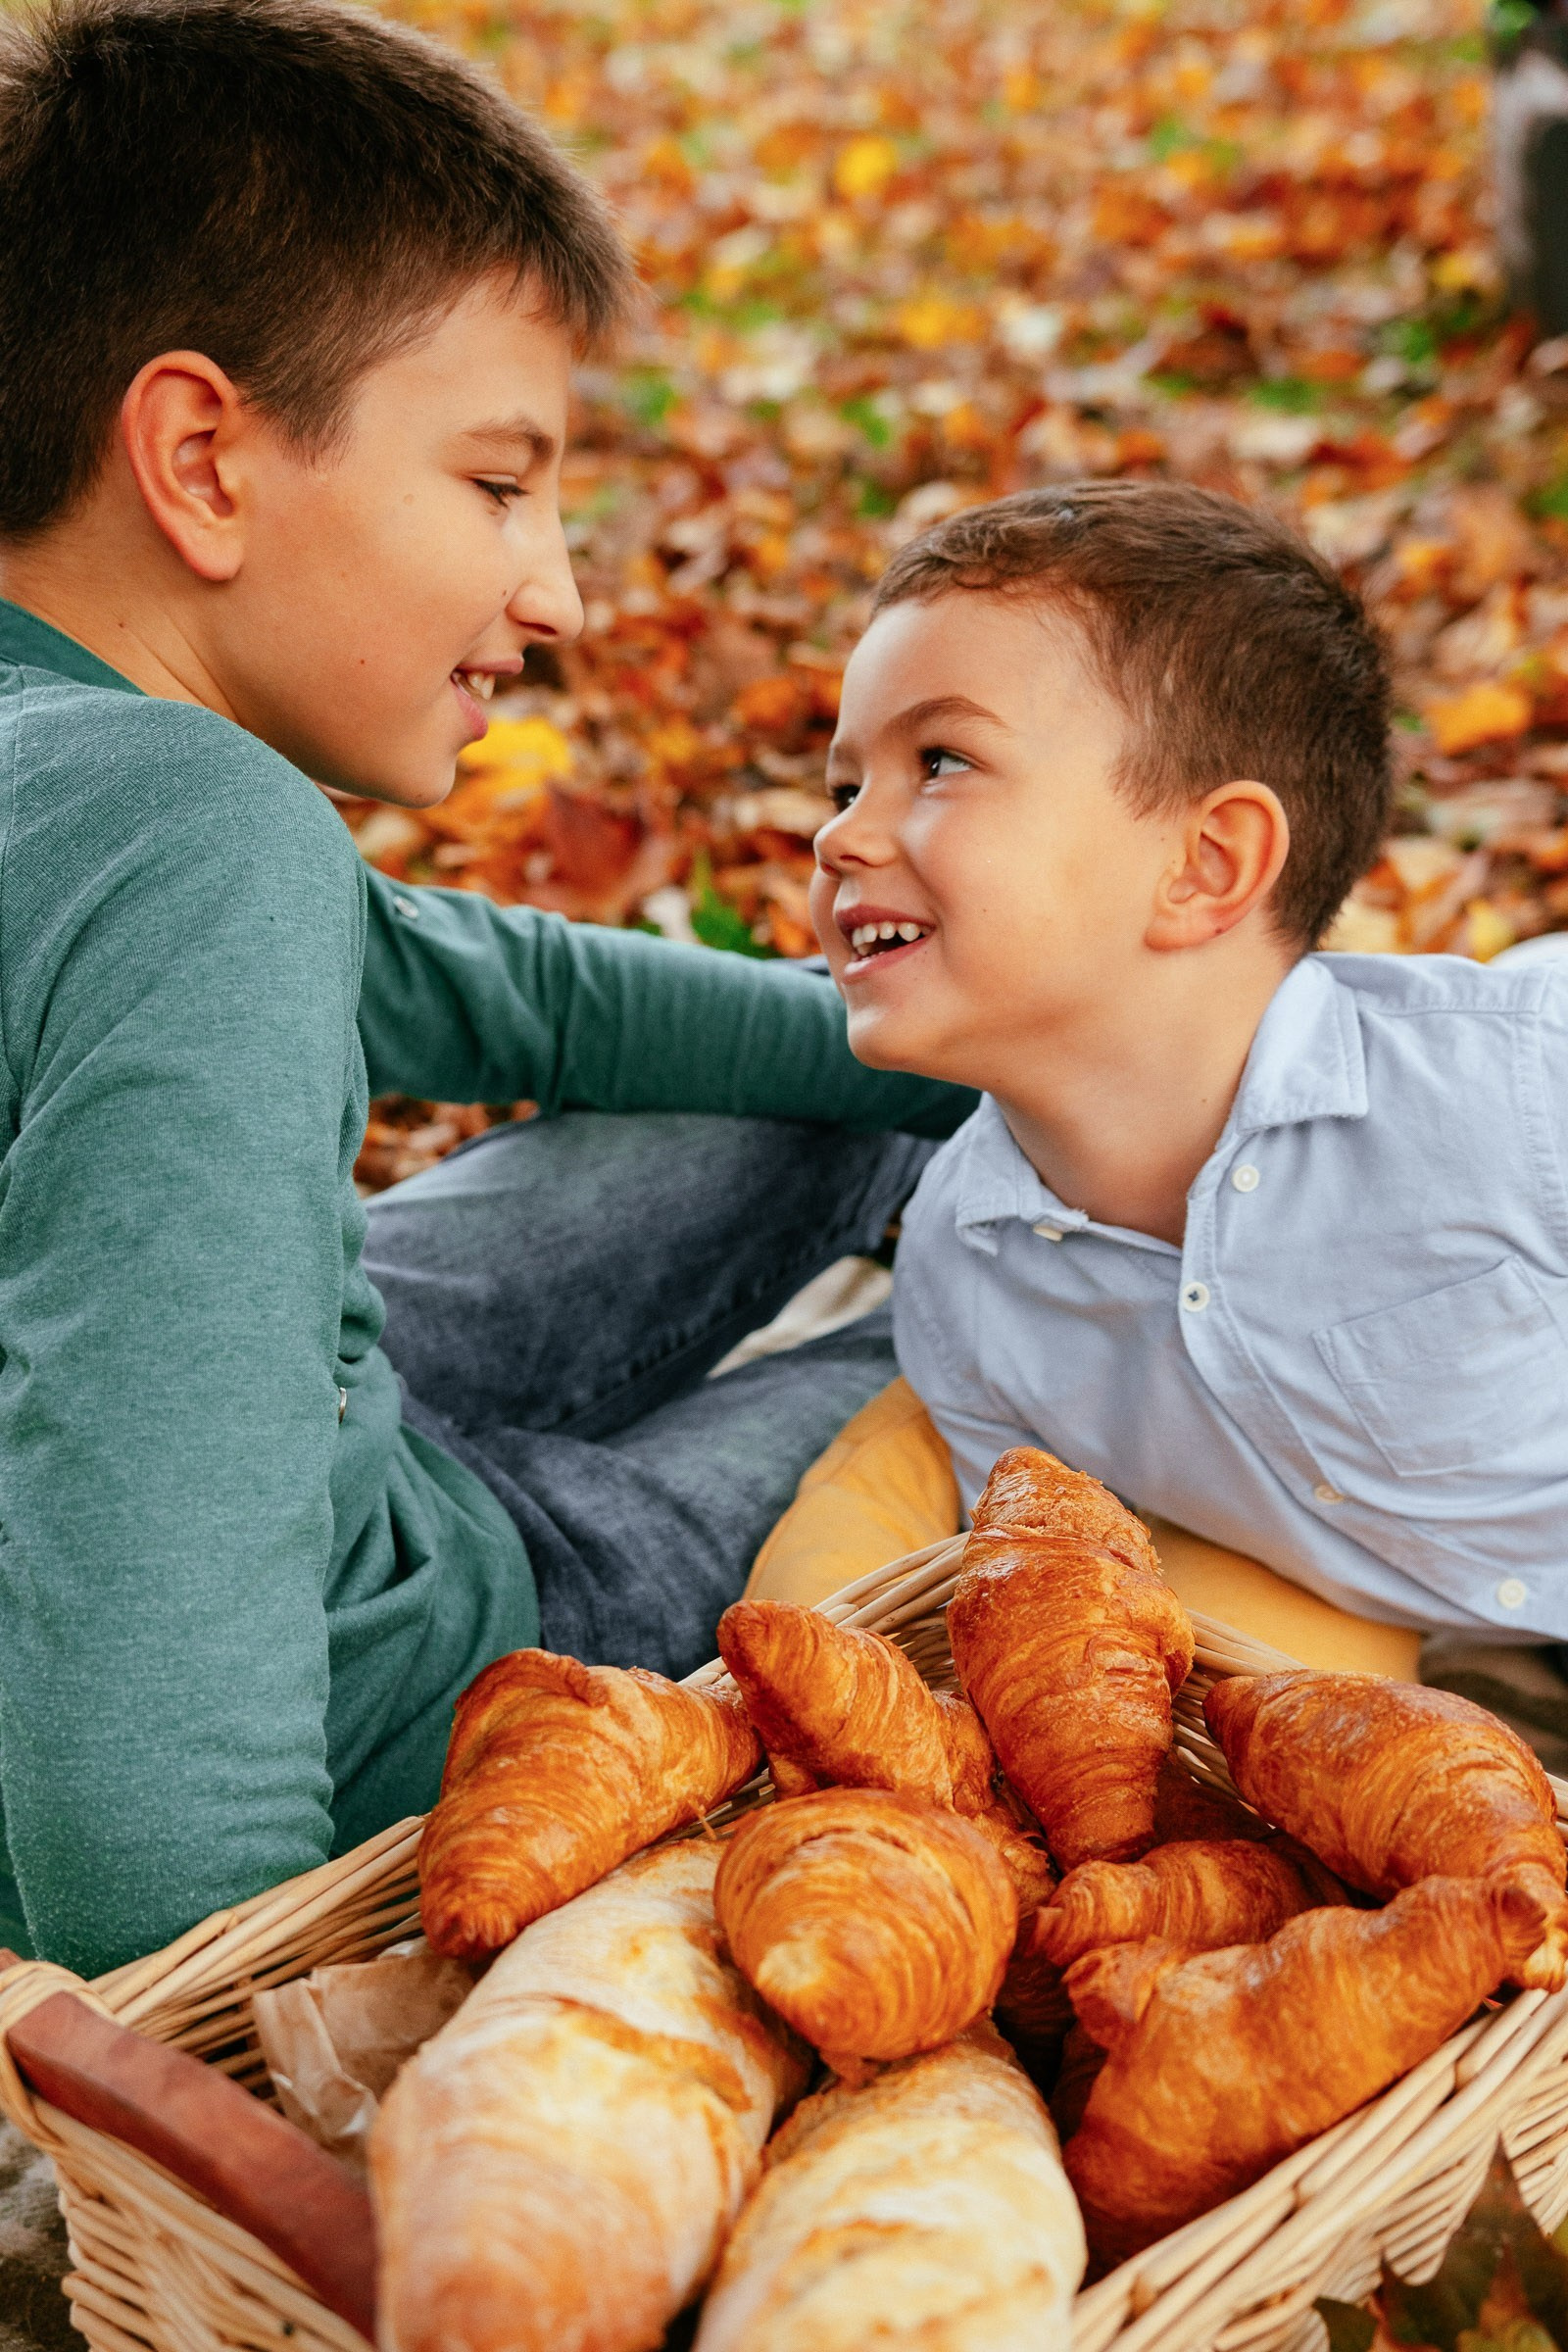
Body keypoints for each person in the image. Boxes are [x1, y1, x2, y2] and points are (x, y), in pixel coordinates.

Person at [0, 0, 972, 1979]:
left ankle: (1034, 1130)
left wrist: (968, 1062)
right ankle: (1105, 1235)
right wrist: (215, 2083)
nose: (558, 593)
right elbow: (140, 1729)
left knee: (828, 1070)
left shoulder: (71, 771)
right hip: (415, 1657)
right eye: (498, 484)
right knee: (1009, 1357)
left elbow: (514, 991)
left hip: (277, 1404)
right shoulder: (196, 838)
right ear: (200, 458)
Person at [809, 481, 1568, 1664]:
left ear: (1205, 865)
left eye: (941, 761)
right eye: (844, 783)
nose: (840, 834)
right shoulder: (965, 1281)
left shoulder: (1517, 1085)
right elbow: (1047, 1595)